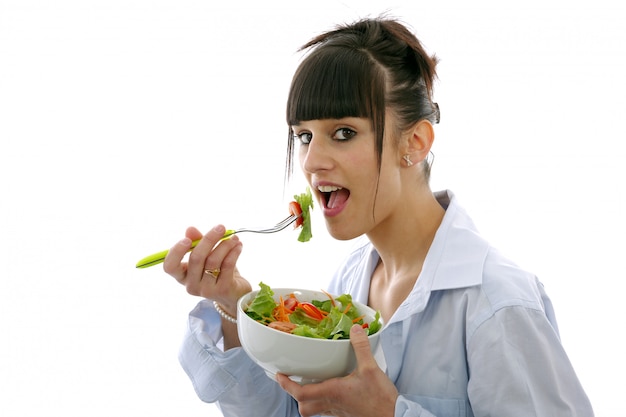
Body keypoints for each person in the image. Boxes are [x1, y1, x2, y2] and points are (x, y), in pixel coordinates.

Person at [163, 17, 594, 417]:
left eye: (344, 132)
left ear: (416, 142)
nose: (312, 161)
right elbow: (293, 410)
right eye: (304, 136)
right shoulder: (348, 286)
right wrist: (234, 303)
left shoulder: (496, 302)